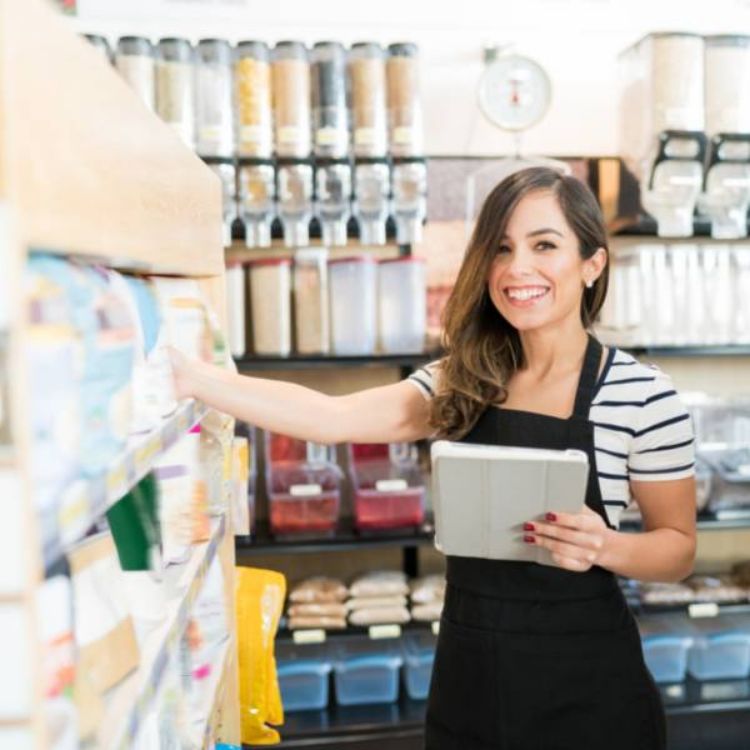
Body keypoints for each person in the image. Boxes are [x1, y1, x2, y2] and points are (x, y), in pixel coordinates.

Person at [170, 166, 697, 749]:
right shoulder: (463, 379)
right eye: (501, 247)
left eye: (544, 245)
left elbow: (676, 549)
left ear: (592, 264)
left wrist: (607, 546)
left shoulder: (642, 394)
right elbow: (332, 417)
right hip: (471, 680)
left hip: (589, 693)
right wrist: (192, 377)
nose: (517, 267)